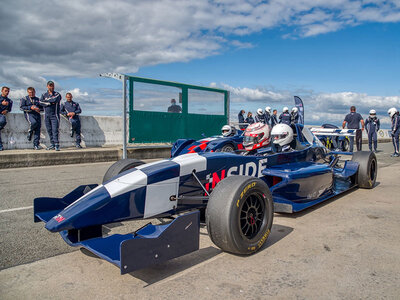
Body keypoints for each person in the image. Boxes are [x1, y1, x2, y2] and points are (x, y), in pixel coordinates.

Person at [40, 81, 62, 151]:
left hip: (54, 115)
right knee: (49, 130)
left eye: (52, 86)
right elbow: (40, 102)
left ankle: (56, 144)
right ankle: (52, 144)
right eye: (50, 86)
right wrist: (49, 103)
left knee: (55, 130)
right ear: (47, 86)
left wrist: (46, 101)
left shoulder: (57, 94)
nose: (51, 87)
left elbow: (55, 99)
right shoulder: (44, 94)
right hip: (46, 115)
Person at [0, 86, 13, 151]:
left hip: (2, 115)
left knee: (3, 121)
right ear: (2, 91)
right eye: (5, 91)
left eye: (8, 91)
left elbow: (10, 109)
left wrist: (6, 111)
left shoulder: (10, 101)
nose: (7, 92)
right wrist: (1, 103)